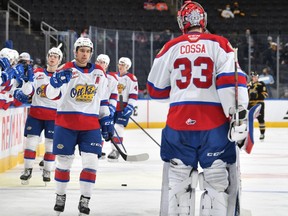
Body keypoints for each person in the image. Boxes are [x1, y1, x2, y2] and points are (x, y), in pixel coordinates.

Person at [147, 1, 249, 215]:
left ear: (181, 22)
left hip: (178, 125)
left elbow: (155, 90)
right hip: (214, 127)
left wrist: (180, 91)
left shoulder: (170, 47)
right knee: (217, 184)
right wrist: (238, 118)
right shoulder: (220, 44)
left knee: (178, 185)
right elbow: (232, 82)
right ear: (203, 20)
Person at [45, 37, 113, 215]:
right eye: (81, 50)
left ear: (91, 53)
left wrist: (106, 119)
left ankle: (85, 199)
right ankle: (60, 195)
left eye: (87, 51)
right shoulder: (65, 69)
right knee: (64, 163)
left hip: (90, 125)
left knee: (91, 163)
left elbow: (103, 100)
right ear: (75, 52)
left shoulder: (99, 72)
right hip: (65, 124)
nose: (84, 54)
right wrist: (54, 82)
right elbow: (50, 95)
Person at [17, 47, 64, 185]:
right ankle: (27, 170)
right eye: (51, 55)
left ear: (59, 59)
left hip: (53, 116)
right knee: (31, 142)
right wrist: (26, 81)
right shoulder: (37, 73)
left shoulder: (62, 76)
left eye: (56, 56)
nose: (53, 58)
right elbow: (29, 91)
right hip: (36, 113)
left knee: (50, 146)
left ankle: (47, 170)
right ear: (47, 57)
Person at [107, 57, 138, 162]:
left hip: (123, 107)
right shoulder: (113, 77)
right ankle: (113, 149)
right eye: (119, 64)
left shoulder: (131, 78)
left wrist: (130, 107)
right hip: (112, 106)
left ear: (127, 67)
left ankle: (116, 150)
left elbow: (133, 95)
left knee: (118, 127)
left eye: (123, 65)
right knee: (111, 128)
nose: (120, 66)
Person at [95, 54, 118, 159]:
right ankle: (96, 149)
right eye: (99, 61)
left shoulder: (112, 79)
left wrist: (112, 109)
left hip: (104, 107)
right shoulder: (90, 74)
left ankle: (103, 149)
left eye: (103, 62)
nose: (101, 64)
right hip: (91, 108)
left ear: (107, 65)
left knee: (105, 130)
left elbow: (114, 95)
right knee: (95, 130)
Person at [247, 71, 268, 140]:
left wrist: (256, 95)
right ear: (252, 78)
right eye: (254, 77)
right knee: (247, 119)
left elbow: (265, 94)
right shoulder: (248, 85)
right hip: (250, 104)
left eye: (256, 77)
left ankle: (262, 133)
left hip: (259, 104)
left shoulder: (261, 84)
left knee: (261, 119)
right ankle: (247, 134)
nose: (255, 78)